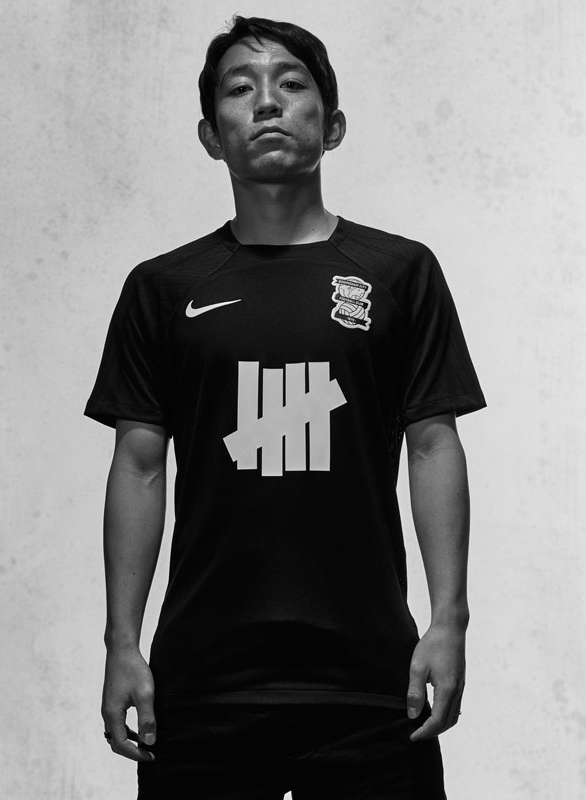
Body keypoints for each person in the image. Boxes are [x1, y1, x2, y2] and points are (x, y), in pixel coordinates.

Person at [85, 14, 486, 800]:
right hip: (203, 684)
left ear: (332, 126)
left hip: (372, 680)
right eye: (241, 88)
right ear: (211, 136)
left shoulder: (400, 273)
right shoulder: (163, 288)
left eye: (291, 84)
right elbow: (138, 466)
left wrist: (449, 621)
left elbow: (433, 444)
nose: (266, 102)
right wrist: (121, 644)